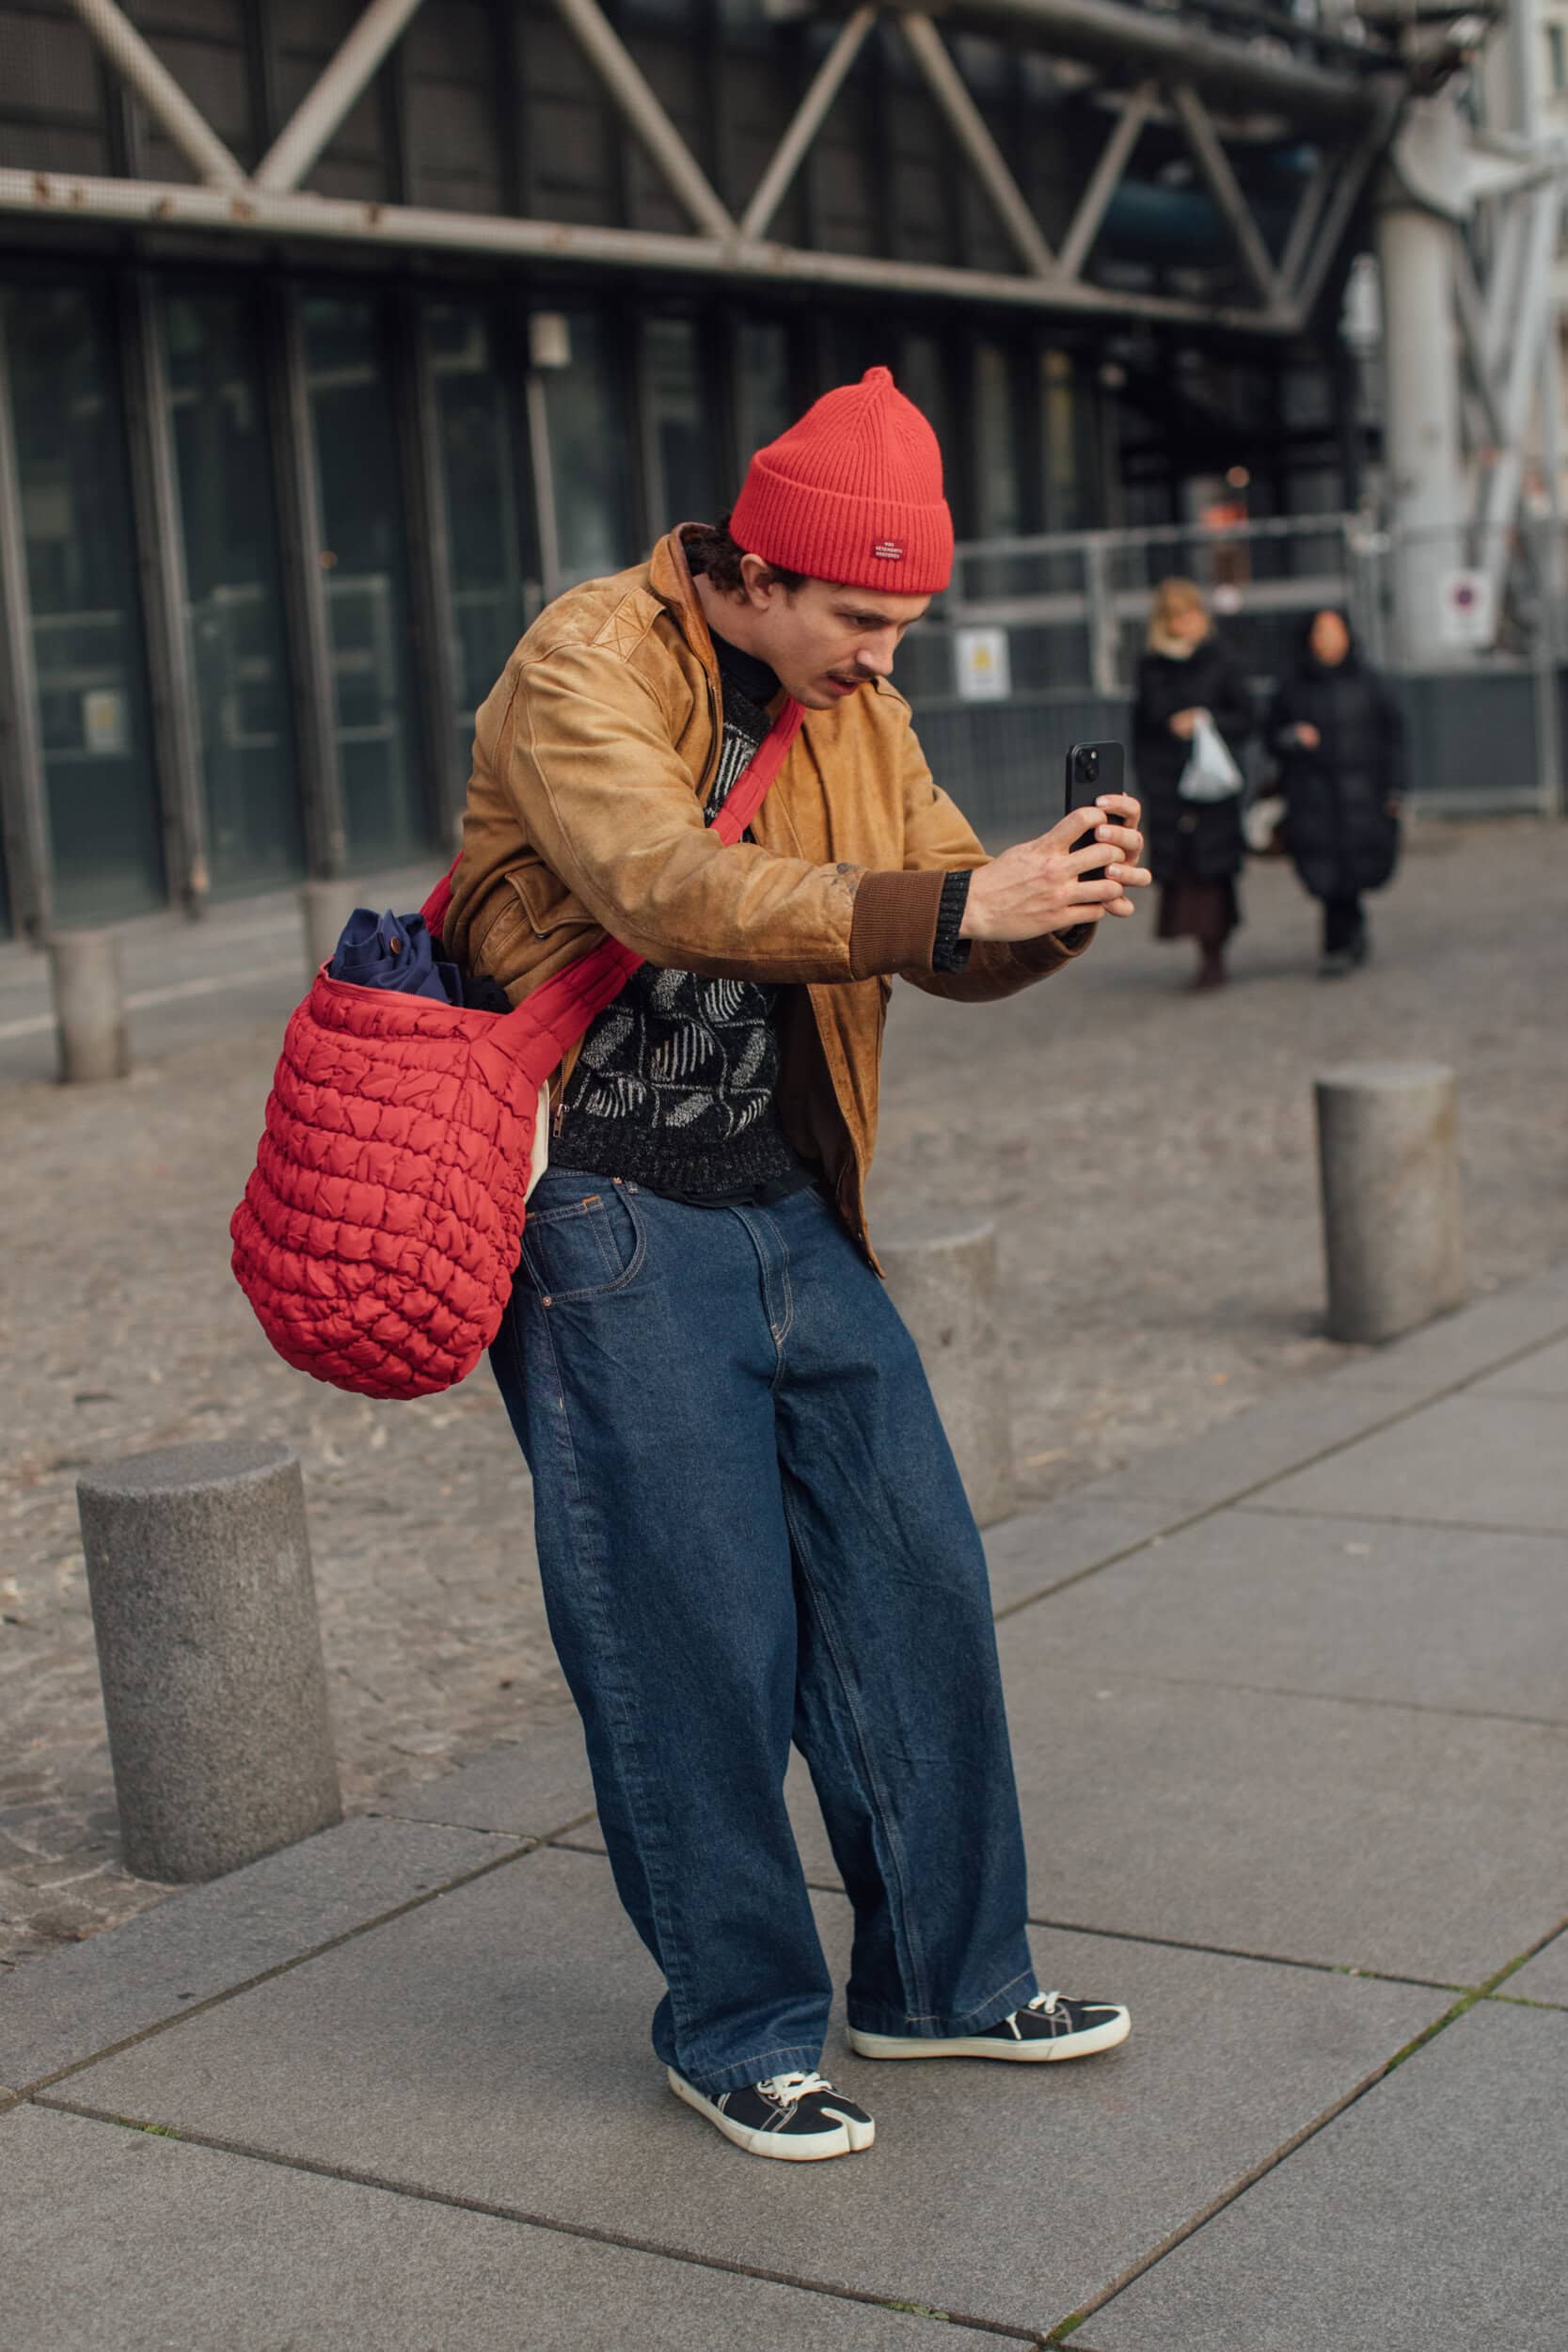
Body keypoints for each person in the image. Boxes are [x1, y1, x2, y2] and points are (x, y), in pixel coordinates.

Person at [443, 368, 1149, 2165]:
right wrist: (944, 906)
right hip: (600, 1205)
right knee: (692, 1636)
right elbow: (656, 883)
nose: (883, 656)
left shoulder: (854, 707)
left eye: (907, 622)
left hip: (786, 1201)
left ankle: (946, 1981)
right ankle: (735, 2028)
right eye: (858, 616)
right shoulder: (586, 659)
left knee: (912, 1578)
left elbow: (936, 918)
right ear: (753, 573)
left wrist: (1036, 908)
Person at [1267, 607, 1404, 977]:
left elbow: (1393, 736)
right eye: (1321, 632)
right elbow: (1271, 736)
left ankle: (1343, 940)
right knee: (1326, 871)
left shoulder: (1369, 682)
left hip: (1363, 794)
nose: (1328, 640)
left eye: (1334, 631)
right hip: (1313, 797)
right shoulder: (1293, 685)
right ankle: (1342, 941)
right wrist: (1293, 737)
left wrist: (1395, 788)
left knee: (1353, 867)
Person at [1132, 577, 1253, 992]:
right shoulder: (1151, 666)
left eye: (1189, 613)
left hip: (1213, 786)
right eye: (1175, 616)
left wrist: (1206, 720)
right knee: (1184, 874)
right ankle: (1205, 950)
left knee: (1213, 871)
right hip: (1170, 785)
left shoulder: (1222, 659)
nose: (1184, 623)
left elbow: (1245, 716)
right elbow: (1143, 729)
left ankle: (1214, 951)